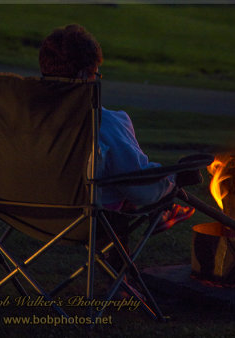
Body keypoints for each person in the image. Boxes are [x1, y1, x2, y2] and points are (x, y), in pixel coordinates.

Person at [38, 25, 194, 274]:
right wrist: (175, 179)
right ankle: (121, 280)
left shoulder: (26, 116)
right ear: (85, 75)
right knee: (125, 194)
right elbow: (139, 188)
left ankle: (162, 213)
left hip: (27, 212)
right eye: (96, 74)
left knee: (107, 185)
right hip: (87, 219)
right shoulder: (105, 122)